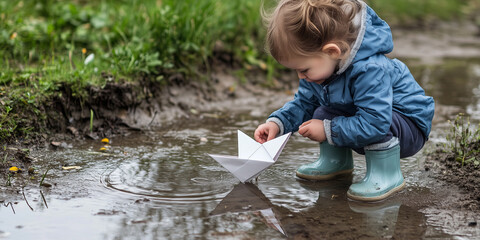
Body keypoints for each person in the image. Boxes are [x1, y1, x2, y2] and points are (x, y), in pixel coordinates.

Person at [254, 0, 435, 202]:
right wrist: (277, 124)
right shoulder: (320, 72)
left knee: (358, 121)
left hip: (407, 126)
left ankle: (386, 174)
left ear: (332, 52)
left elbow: (376, 122)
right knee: (321, 112)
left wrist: (327, 130)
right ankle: (336, 162)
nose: (300, 77)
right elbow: (304, 104)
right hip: (371, 119)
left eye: (303, 69)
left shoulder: (369, 69)